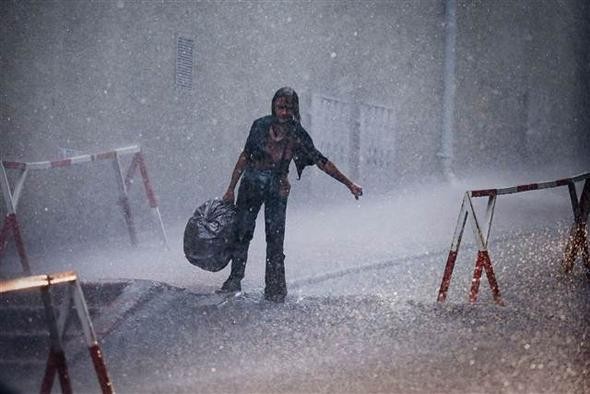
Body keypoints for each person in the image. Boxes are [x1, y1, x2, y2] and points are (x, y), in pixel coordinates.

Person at [219, 87, 363, 302]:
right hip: (252, 183)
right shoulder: (260, 126)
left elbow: (321, 161)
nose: (284, 112)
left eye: (289, 108)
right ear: (274, 107)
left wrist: (348, 183)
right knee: (242, 232)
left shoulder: (297, 134)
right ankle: (234, 279)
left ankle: (275, 289)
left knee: (275, 239)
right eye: (280, 107)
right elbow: (245, 156)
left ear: (295, 109)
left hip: (277, 187)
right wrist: (230, 188)